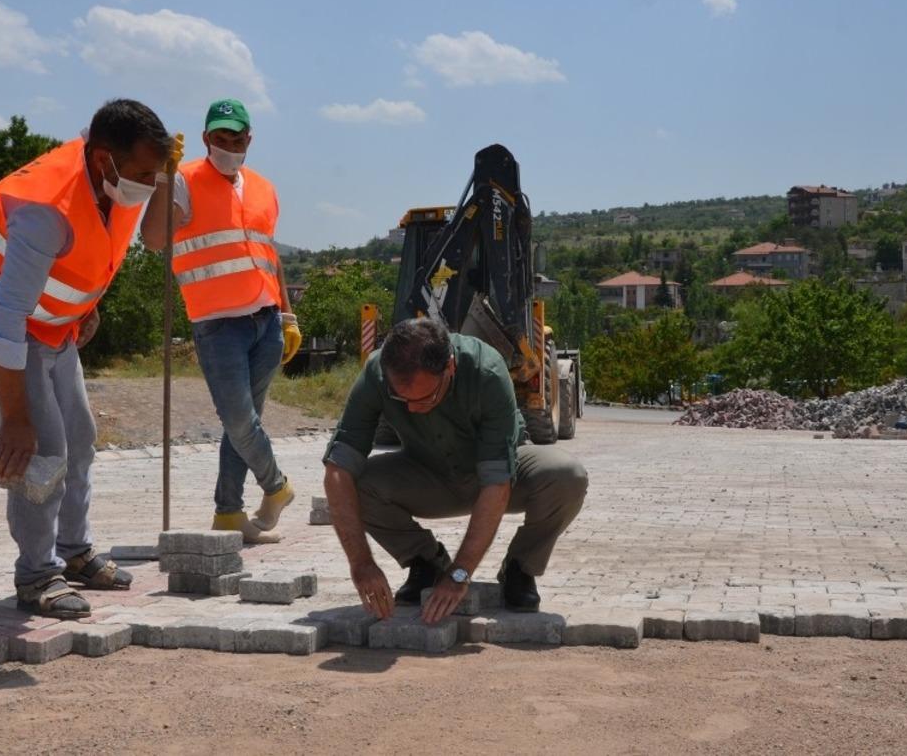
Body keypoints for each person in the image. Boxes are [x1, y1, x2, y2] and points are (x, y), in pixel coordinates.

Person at [0, 99, 178, 619]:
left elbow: (123, 244)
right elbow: (5, 324)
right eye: (144, 174)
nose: (149, 183)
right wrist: (15, 419)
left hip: (50, 328)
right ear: (103, 159)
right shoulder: (44, 210)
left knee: (80, 438)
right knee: (41, 450)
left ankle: (74, 552)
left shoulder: (117, 180)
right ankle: (36, 575)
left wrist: (84, 307)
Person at [322, 318, 588, 624]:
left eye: (426, 398)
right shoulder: (376, 373)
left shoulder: (487, 371)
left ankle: (520, 567)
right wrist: (361, 563)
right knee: (349, 487)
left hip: (501, 478)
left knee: (567, 476)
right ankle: (426, 562)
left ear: (449, 366)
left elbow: (497, 482)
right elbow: (338, 469)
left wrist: (461, 573)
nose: (412, 408)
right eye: (401, 399)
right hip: (429, 476)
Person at [142, 98, 301, 543]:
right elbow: (153, 239)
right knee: (239, 421)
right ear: (205, 138)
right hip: (217, 325)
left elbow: (270, 254)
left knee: (244, 425)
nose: (228, 146)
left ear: (249, 139)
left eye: (236, 139)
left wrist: (288, 314)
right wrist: (162, 177)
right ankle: (277, 485)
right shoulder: (184, 180)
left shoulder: (264, 188)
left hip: (266, 322)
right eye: (220, 138)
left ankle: (229, 514)